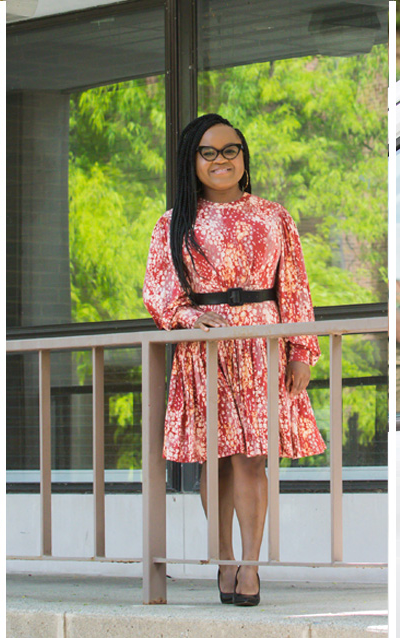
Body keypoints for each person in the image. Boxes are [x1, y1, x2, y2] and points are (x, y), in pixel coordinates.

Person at [143, 113, 324, 607]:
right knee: (216, 461)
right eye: (209, 152)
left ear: (244, 158)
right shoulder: (173, 221)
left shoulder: (274, 215)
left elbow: (297, 288)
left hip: (263, 343)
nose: (221, 160)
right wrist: (185, 317)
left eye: (231, 150)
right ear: (191, 161)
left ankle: (250, 564)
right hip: (206, 350)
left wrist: (301, 351)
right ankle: (222, 558)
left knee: (251, 461)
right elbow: (158, 291)